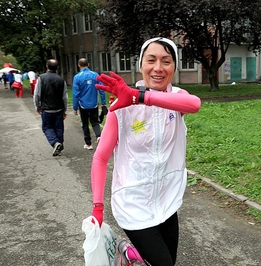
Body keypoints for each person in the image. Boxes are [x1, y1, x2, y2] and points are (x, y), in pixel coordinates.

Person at [90, 37, 201, 266]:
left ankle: (131, 254)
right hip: (134, 204)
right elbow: (101, 157)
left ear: (174, 67)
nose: (158, 68)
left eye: (166, 61)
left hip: (167, 200)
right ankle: (133, 252)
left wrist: (140, 97)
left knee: (167, 260)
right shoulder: (122, 106)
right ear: (141, 65)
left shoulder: (177, 98)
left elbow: (194, 104)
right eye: (151, 60)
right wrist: (98, 206)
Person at [33, 59, 68, 157]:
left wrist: (37, 106)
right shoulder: (61, 80)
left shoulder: (41, 78)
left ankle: (55, 142)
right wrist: (65, 110)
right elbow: (64, 96)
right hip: (59, 108)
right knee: (59, 128)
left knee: (47, 127)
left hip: (46, 108)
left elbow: (37, 94)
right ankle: (59, 146)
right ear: (57, 68)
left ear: (46, 66)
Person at [72, 58, 106, 150]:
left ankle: (89, 143)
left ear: (79, 65)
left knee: (85, 124)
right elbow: (101, 89)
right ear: (89, 64)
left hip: (82, 104)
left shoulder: (77, 77)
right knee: (95, 122)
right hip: (94, 103)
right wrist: (103, 102)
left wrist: (75, 107)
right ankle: (99, 136)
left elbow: (76, 94)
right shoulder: (95, 75)